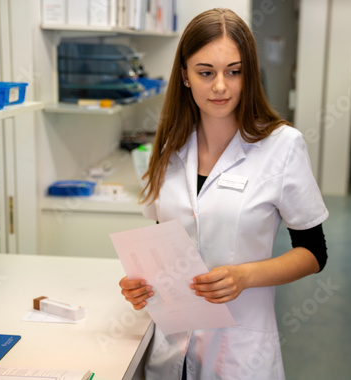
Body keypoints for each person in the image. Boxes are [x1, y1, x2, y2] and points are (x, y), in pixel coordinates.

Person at [119, 8, 329, 380]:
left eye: (234, 71)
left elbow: (314, 253)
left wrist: (245, 276)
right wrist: (138, 285)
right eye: (206, 72)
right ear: (184, 76)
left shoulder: (282, 146)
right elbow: (159, 240)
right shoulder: (169, 144)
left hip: (237, 354)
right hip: (168, 350)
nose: (220, 86)